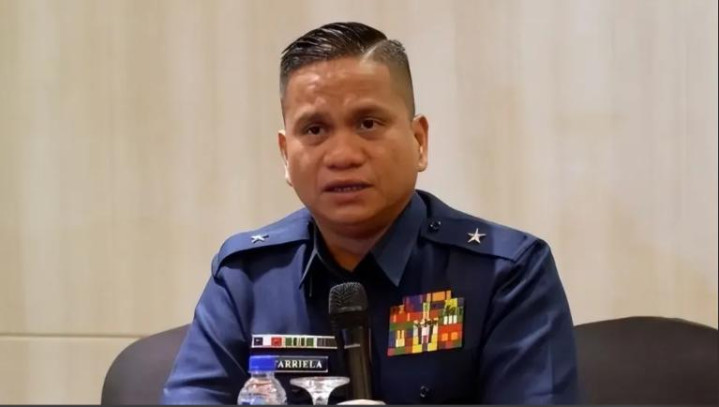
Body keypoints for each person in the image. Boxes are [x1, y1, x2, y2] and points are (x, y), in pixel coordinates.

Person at [162, 21, 578, 404]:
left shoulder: (504, 273)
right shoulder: (247, 277)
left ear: (418, 141)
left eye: (368, 124)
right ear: (286, 156)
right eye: (315, 130)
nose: (343, 155)